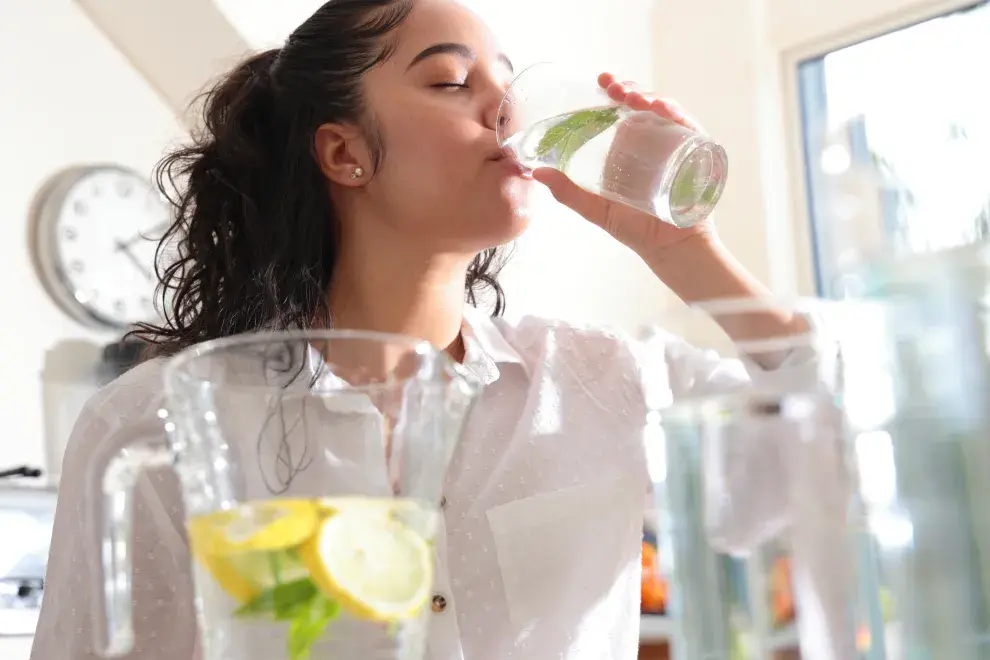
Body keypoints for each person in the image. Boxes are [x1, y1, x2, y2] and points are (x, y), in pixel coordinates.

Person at [33, 0, 816, 658]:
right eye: (451, 80)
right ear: (344, 154)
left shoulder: (604, 377)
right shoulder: (165, 422)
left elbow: (845, 474)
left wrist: (689, 253)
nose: (505, 110)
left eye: (506, 85)